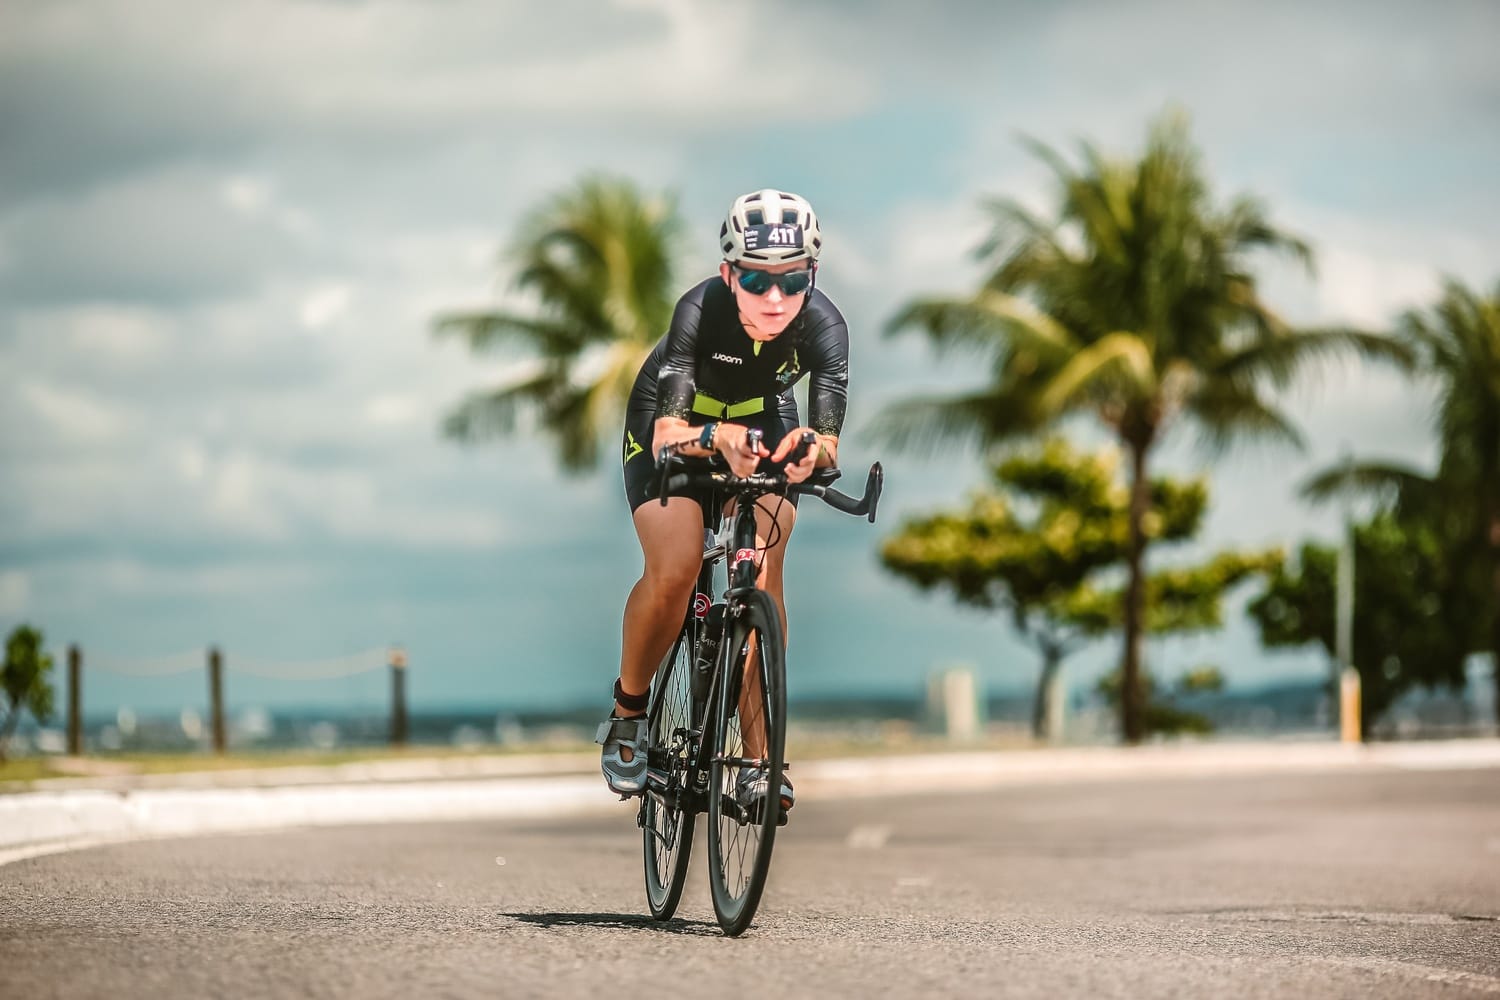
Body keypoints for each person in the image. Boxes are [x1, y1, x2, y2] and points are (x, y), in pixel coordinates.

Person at [597, 189, 850, 817]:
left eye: (791, 282)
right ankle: (629, 715)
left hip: (764, 425)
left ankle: (761, 762)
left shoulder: (825, 327)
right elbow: (666, 433)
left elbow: (827, 444)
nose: (774, 298)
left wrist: (806, 452)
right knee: (678, 567)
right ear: (728, 274)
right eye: (757, 279)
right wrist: (715, 438)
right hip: (675, 424)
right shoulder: (699, 311)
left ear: (810, 277)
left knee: (765, 567)